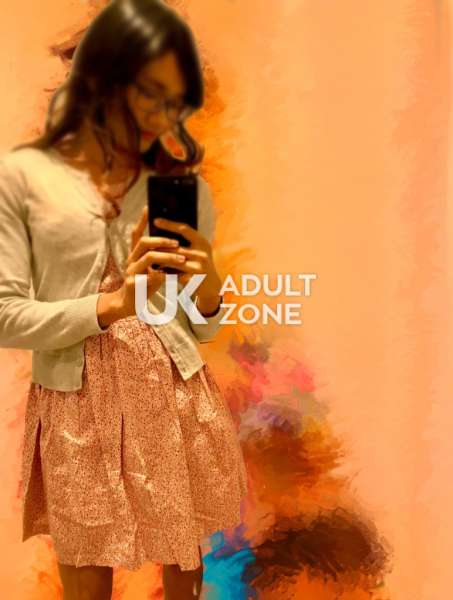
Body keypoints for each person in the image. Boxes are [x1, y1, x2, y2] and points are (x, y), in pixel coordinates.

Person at [0, 1, 248, 598]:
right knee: (87, 586)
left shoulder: (181, 189)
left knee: (183, 583)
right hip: (76, 405)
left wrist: (207, 281)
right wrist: (112, 305)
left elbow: (199, 326)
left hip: (174, 397)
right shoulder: (23, 179)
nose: (160, 114)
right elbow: (5, 314)